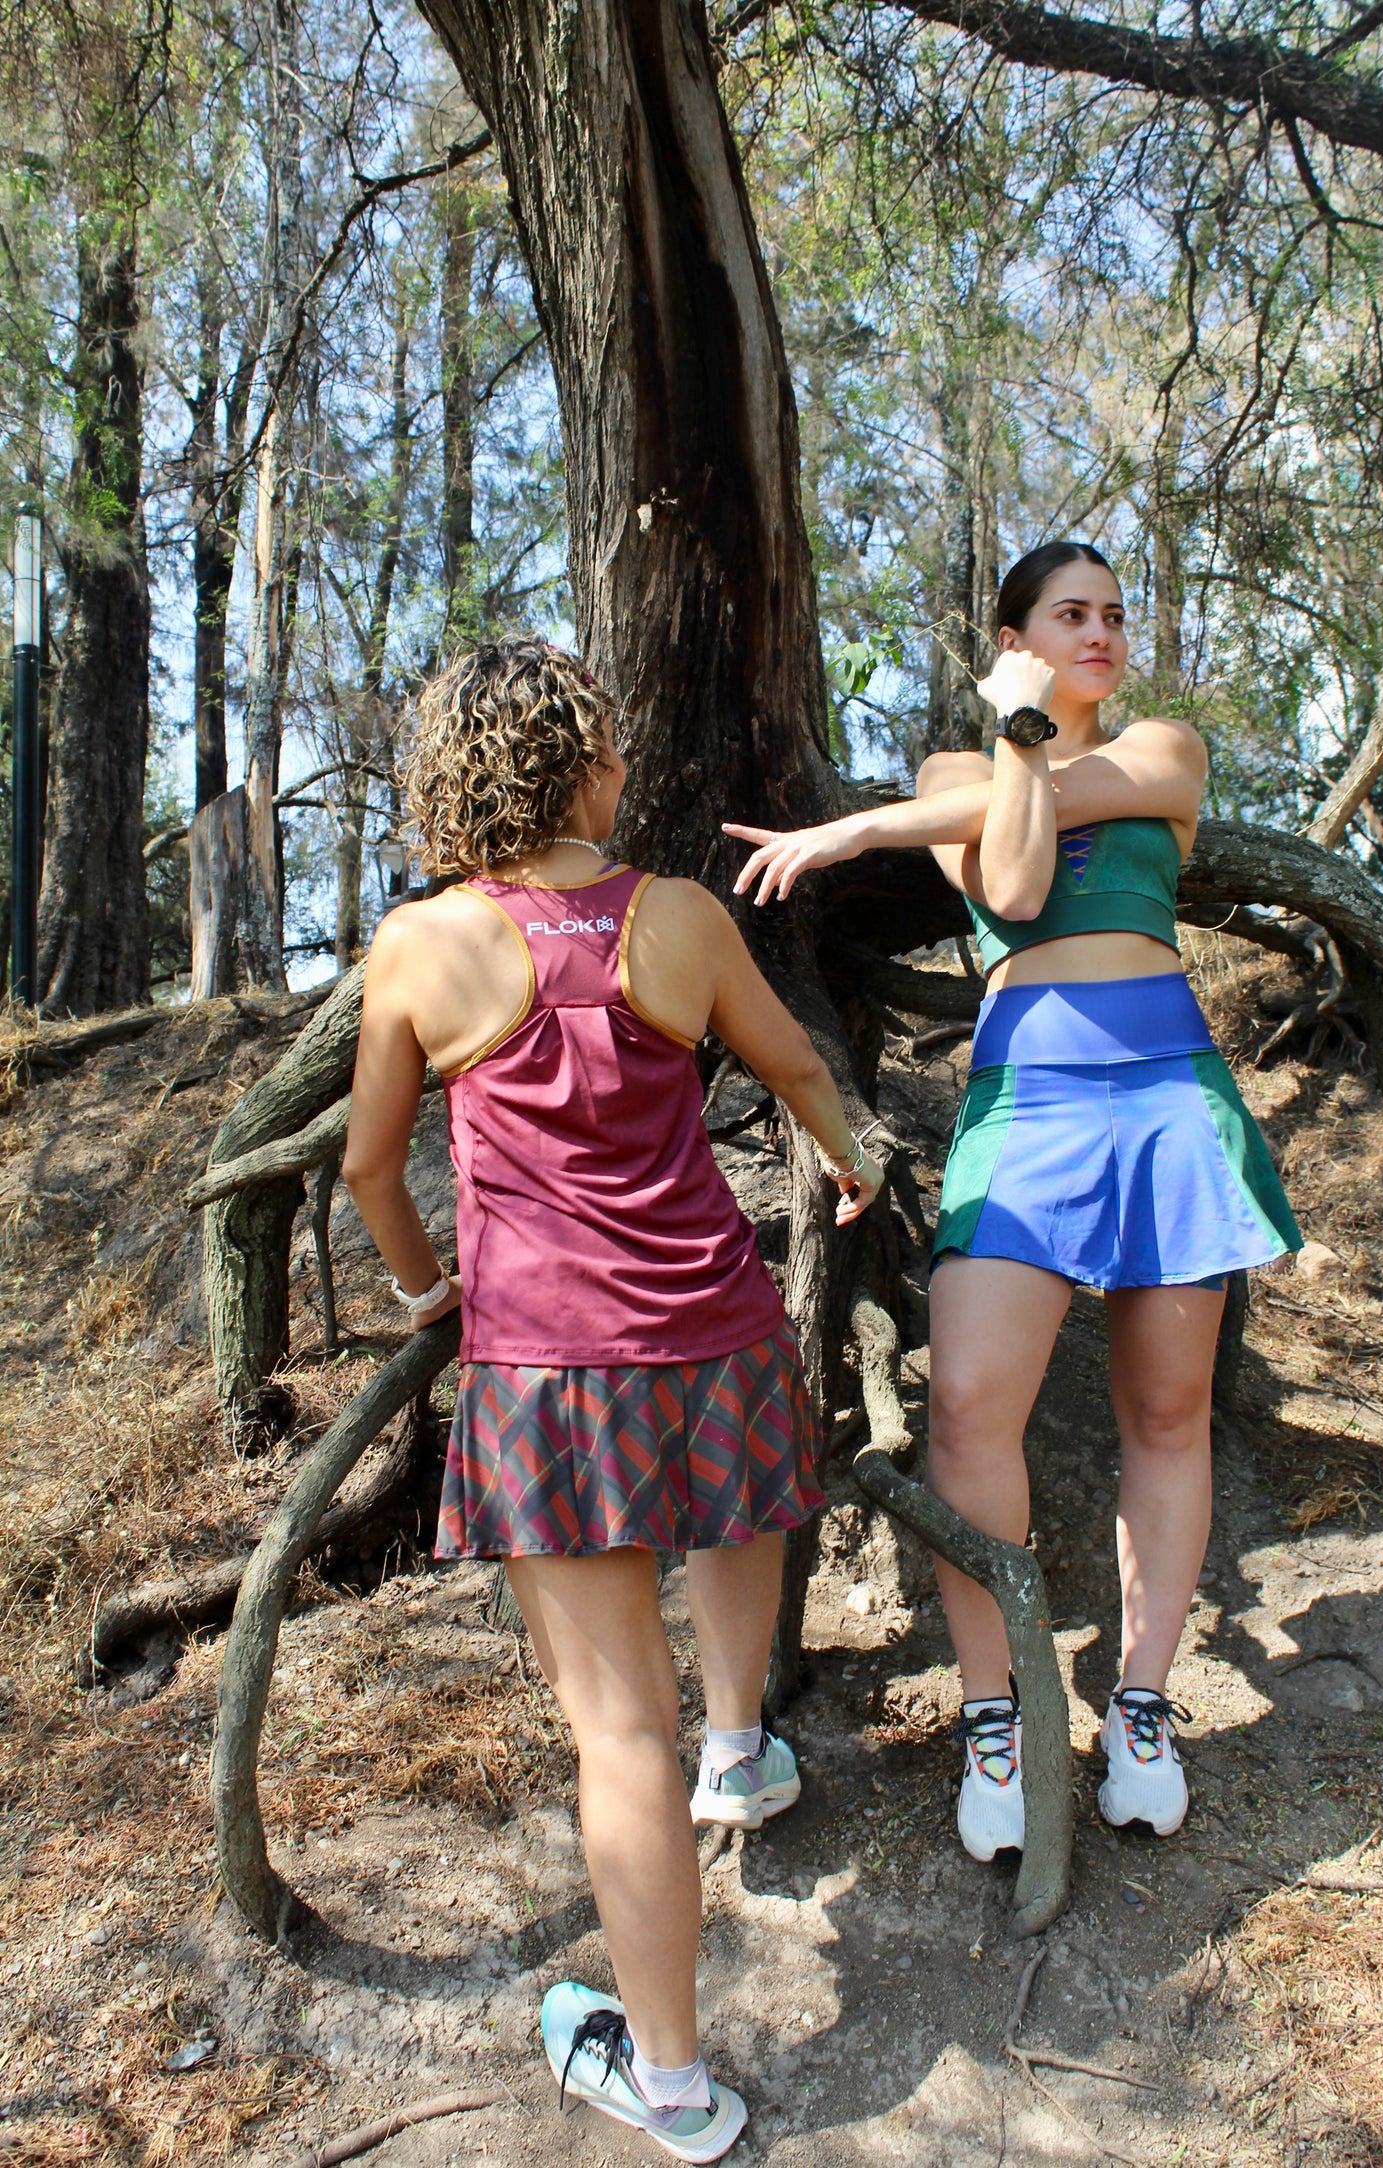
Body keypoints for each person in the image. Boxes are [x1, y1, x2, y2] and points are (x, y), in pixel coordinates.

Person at [342, 637, 883, 2163]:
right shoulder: (679, 918)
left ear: (454, 778)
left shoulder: (420, 946)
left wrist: (418, 1289)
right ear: (578, 763)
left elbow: (373, 1166)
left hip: (545, 1373)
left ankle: (670, 2086)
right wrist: (846, 1166)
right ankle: (738, 1743)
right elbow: (790, 1066)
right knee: (733, 1516)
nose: (625, 766)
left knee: (610, 1741)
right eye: (607, 743)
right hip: (711, 1333)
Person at [724, 541, 1300, 1858]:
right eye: (1067, 613)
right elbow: (1022, 888)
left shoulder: (1165, 750)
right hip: (1028, 1100)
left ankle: (1142, 1705)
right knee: (972, 1403)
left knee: (1166, 1409)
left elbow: (1061, 801)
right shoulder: (957, 776)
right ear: (1011, 636)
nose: (1099, 630)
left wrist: (863, 827)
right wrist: (1006, 747)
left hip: (1165, 1093)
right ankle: (998, 1711)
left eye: (1111, 612)